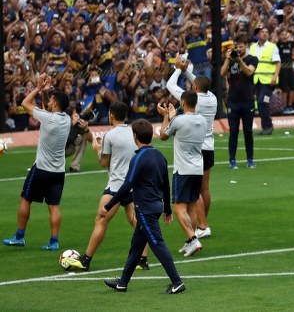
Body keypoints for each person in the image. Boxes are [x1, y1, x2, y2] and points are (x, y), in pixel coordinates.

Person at [102, 119, 185, 295]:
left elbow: (127, 185)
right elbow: (166, 185)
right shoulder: (159, 156)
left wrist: (108, 205)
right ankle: (123, 283)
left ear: (135, 137)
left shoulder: (138, 158)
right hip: (156, 207)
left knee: (157, 244)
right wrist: (167, 209)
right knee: (136, 246)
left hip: (145, 210)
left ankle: (177, 282)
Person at [67, 102, 143, 272]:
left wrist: (97, 149)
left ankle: (86, 260)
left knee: (101, 220)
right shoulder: (133, 132)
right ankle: (143, 260)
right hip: (132, 184)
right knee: (136, 221)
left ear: (111, 115)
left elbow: (103, 162)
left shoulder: (110, 135)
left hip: (116, 186)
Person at [3, 74, 70, 250]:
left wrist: (38, 88)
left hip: (41, 169)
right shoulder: (67, 119)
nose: (49, 101)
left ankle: (19, 237)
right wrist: (47, 91)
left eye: (52, 100)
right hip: (58, 171)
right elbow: (47, 107)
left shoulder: (48, 118)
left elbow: (25, 103)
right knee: (54, 206)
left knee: (26, 199)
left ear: (55, 104)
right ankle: (54, 242)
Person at [167, 55, 218, 239]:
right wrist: (186, 70)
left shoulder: (193, 99)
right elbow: (199, 83)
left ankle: (202, 225)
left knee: (195, 192)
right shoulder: (212, 98)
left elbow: (170, 86)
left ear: (195, 88)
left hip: (196, 146)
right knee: (205, 189)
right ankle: (203, 225)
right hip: (209, 146)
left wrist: (177, 69)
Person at [157, 90, 207, 256]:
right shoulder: (202, 120)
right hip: (198, 168)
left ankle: (193, 239)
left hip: (183, 170)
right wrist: (173, 117)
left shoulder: (178, 120)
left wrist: (166, 116)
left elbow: (163, 135)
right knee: (191, 207)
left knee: (178, 208)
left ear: (183, 102)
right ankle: (189, 241)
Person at [222, 40, 258, 169]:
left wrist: (239, 61)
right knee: (233, 131)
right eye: (237, 47)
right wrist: (228, 59)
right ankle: (232, 160)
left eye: (241, 47)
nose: (238, 49)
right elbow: (222, 73)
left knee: (248, 131)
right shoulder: (231, 59)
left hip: (247, 100)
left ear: (246, 46)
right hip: (233, 100)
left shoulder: (252, 59)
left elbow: (249, 72)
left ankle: (250, 159)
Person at [250, 26, 280, 136]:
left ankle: (268, 126)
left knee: (263, 102)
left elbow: (278, 63)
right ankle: (265, 127)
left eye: (266, 32)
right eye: (262, 32)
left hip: (268, 81)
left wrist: (275, 77)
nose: (265, 33)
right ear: (258, 35)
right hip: (257, 80)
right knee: (260, 103)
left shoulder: (272, 47)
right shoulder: (253, 47)